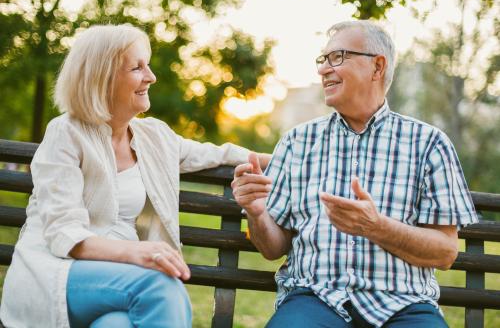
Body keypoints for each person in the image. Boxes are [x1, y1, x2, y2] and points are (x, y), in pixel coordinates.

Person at [0, 24, 269, 328]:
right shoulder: (66, 133)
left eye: (148, 66)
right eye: (137, 67)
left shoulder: (153, 136)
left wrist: (285, 159)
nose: (151, 77)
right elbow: (64, 233)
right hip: (60, 273)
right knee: (160, 287)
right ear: (103, 77)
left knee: (117, 324)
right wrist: (138, 253)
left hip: (122, 287)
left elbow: (216, 154)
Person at [232, 20, 478, 328]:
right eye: (322, 60)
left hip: (403, 304)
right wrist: (256, 213)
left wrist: (377, 227)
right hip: (314, 298)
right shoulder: (297, 142)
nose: (323, 70)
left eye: (338, 57)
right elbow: (273, 248)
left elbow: (445, 252)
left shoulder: (428, 143)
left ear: (377, 66)